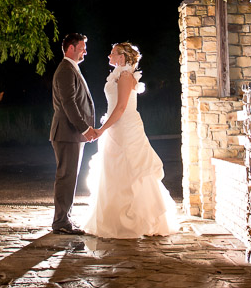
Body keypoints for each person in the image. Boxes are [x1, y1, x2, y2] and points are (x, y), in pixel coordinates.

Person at [81, 42, 178, 239]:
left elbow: (122, 107)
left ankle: (133, 222)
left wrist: (101, 129)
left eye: (113, 52)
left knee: (131, 170)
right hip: (116, 127)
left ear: (123, 58)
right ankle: (114, 219)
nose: (109, 55)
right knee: (114, 171)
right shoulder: (119, 74)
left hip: (124, 128)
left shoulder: (125, 76)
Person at [50, 33, 97, 235]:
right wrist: (85, 129)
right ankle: (61, 222)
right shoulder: (66, 70)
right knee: (66, 177)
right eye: (82, 47)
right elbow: (69, 104)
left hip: (71, 135)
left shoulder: (71, 68)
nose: (85, 51)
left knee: (69, 177)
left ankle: (64, 219)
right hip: (67, 133)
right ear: (71, 48)